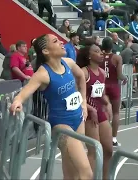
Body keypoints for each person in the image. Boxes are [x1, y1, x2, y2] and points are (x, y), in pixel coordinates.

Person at [10, 34, 92, 179]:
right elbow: (24, 93)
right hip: (62, 125)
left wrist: (84, 103)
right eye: (55, 41)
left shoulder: (68, 62)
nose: (61, 42)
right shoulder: (42, 74)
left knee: (71, 172)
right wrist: (17, 102)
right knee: (86, 172)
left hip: (79, 119)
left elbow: (81, 77)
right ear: (46, 51)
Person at [76, 42, 113, 179]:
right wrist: (90, 109)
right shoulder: (84, 72)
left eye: (101, 51)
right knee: (94, 150)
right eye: (97, 51)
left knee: (108, 150)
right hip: (89, 113)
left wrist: (107, 103)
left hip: (100, 111)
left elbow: (100, 94)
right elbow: (77, 94)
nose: (101, 53)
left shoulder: (102, 73)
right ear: (89, 56)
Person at [99, 37, 127, 147]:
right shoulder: (117, 58)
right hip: (114, 85)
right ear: (112, 46)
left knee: (103, 111)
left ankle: (102, 137)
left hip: (102, 86)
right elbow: (120, 75)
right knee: (115, 113)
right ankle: (114, 139)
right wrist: (125, 78)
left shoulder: (99, 57)